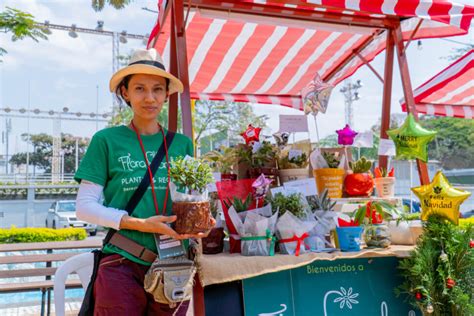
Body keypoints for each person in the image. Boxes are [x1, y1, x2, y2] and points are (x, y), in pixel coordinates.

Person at [75, 48, 213, 315]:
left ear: (166, 94)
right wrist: (139, 223)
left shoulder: (182, 144)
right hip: (121, 264)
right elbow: (84, 207)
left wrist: (203, 221)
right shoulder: (106, 140)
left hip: (174, 265)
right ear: (125, 93)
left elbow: (194, 197)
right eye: (139, 88)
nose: (149, 98)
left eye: (157, 89)